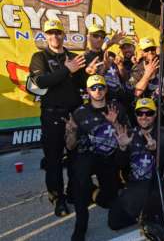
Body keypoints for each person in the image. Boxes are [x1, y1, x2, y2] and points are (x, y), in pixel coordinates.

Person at [29, 19, 86, 217]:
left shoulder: (74, 56)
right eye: (50, 33)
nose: (55, 36)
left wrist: (88, 73)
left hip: (73, 116)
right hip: (52, 116)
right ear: (46, 35)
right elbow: (41, 82)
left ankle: (72, 193)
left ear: (64, 35)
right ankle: (58, 198)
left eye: (58, 32)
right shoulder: (40, 56)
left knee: (75, 159)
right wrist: (66, 70)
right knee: (53, 161)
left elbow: (82, 83)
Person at [65, 75, 130, 241]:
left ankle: (93, 191)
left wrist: (114, 123)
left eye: (101, 87)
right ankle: (81, 225)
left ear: (106, 89)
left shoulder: (117, 108)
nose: (98, 91)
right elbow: (70, 146)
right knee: (80, 180)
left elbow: (126, 137)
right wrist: (71, 131)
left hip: (109, 158)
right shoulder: (79, 113)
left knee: (109, 201)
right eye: (93, 88)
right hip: (87, 156)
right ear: (88, 91)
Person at [108, 98, 164, 230]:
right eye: (140, 113)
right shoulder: (129, 134)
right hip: (137, 185)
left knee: (162, 223)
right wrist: (122, 148)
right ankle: (143, 214)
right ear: (136, 115)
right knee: (114, 222)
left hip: (159, 186)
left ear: (155, 114)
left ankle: (148, 214)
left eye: (148, 113)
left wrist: (157, 151)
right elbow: (119, 165)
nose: (144, 117)